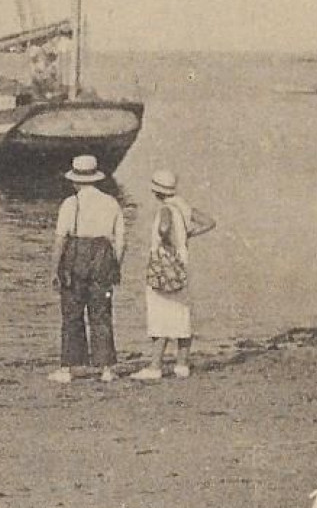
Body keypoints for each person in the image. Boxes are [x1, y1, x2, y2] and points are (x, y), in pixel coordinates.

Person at [130, 169, 217, 381]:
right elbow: (209, 222)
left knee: (160, 314)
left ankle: (155, 366)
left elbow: (164, 227)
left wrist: (166, 240)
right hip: (181, 265)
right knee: (182, 312)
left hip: (165, 266)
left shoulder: (166, 209)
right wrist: (186, 236)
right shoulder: (184, 206)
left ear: (156, 191)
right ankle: (182, 364)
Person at [50, 154, 126, 382]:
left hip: (75, 257)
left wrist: (54, 269)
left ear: (75, 180)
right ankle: (107, 368)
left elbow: (60, 239)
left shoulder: (70, 203)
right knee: (101, 313)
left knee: (72, 313)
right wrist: (116, 265)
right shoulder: (111, 202)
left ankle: (70, 367)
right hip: (102, 256)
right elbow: (121, 240)